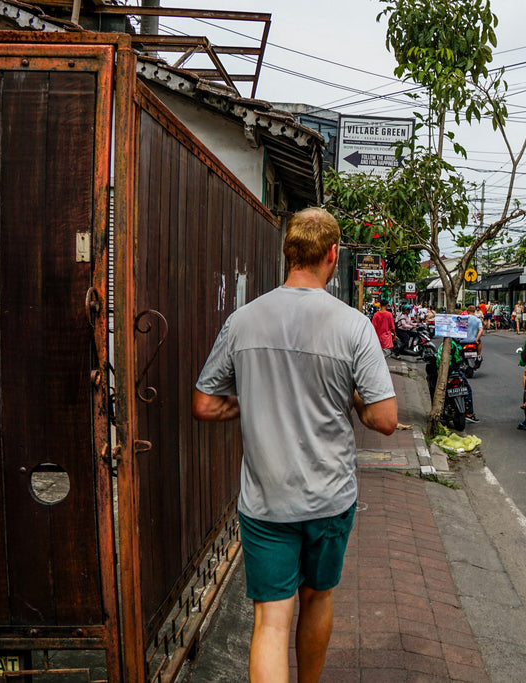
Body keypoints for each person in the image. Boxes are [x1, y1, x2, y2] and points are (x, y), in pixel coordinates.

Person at [192, 207, 397, 683]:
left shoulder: (244, 320)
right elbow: (385, 419)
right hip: (329, 499)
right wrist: (354, 402)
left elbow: (204, 404)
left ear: (289, 254)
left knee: (270, 621)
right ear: (333, 254)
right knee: (318, 598)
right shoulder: (353, 325)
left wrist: (257, 398)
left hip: (266, 502)